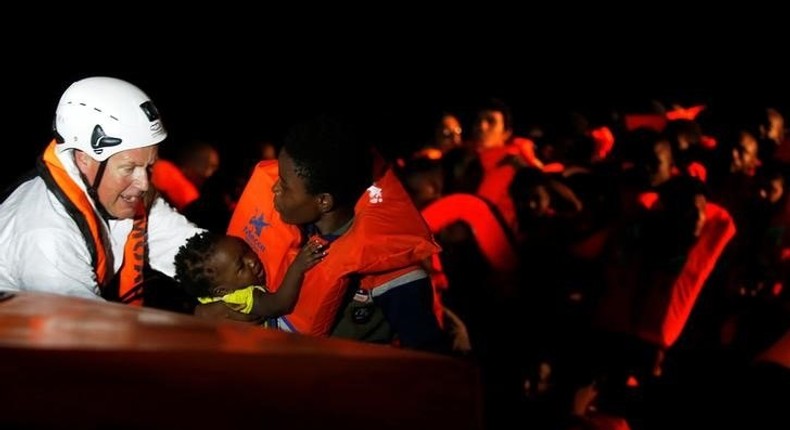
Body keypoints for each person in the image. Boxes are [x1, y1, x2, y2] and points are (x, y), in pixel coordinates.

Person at [203, 114, 449, 353]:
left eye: (285, 185)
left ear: (323, 201)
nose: (274, 188)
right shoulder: (293, 227)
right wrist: (205, 312)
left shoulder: (391, 268)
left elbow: (431, 362)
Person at [0, 76, 204, 306]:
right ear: (84, 158)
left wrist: (238, 283)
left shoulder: (114, 189)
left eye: (149, 166)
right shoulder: (46, 232)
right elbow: (83, 330)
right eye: (129, 168)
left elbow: (188, 247)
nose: (144, 183)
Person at [174, 231, 326, 324]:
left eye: (246, 250)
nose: (252, 261)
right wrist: (297, 267)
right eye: (241, 267)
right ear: (222, 291)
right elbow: (280, 304)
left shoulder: (207, 297)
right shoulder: (241, 298)